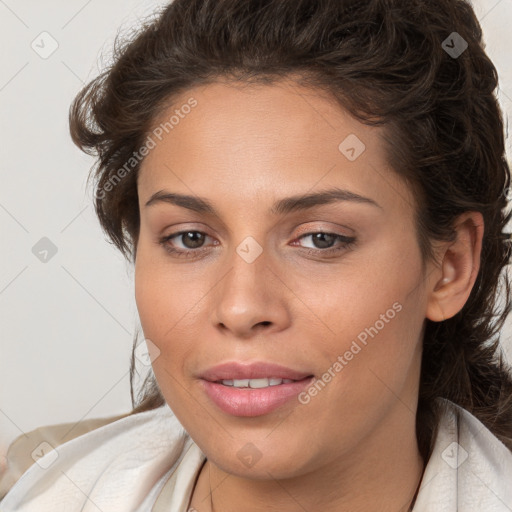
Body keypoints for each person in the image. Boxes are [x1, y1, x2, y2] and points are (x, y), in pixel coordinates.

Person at [2, 0, 512, 510]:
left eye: (320, 238)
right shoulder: (47, 492)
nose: (241, 308)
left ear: (450, 267)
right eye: (191, 238)